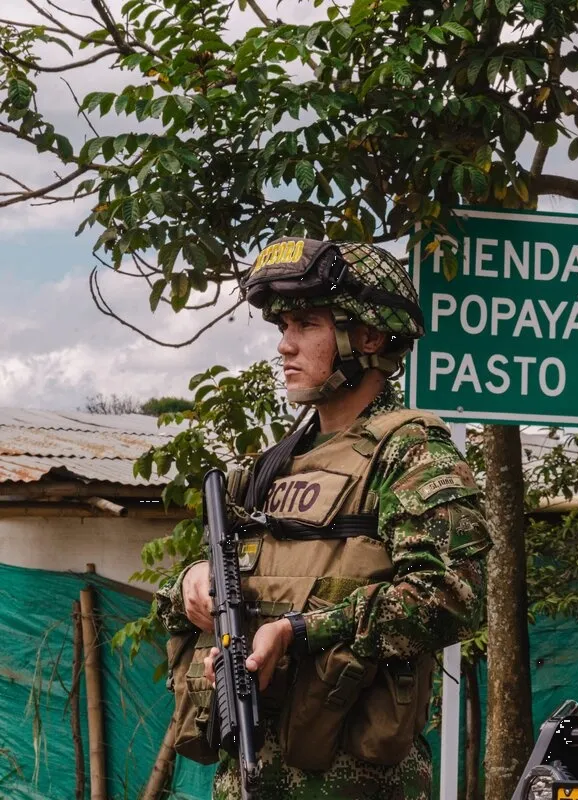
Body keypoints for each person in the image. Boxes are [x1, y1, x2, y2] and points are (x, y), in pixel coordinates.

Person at [156, 238, 491, 799]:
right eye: (282, 326)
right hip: (249, 779)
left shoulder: (412, 453)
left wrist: (298, 631)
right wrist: (189, 585)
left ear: (369, 337)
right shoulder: (267, 470)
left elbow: (454, 596)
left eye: (305, 324)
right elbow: (203, 585)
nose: (284, 346)